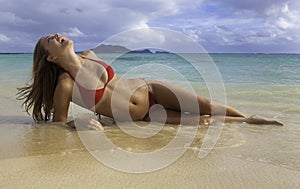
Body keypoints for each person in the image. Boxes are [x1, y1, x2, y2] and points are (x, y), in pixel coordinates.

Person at [17, 33, 283, 131]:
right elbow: (57, 124)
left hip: (149, 87)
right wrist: (76, 123)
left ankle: (250, 119)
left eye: (55, 33)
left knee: (208, 105)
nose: (57, 35)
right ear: (51, 57)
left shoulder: (91, 55)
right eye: (50, 40)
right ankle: (246, 122)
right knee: (203, 122)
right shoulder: (65, 85)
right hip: (143, 116)